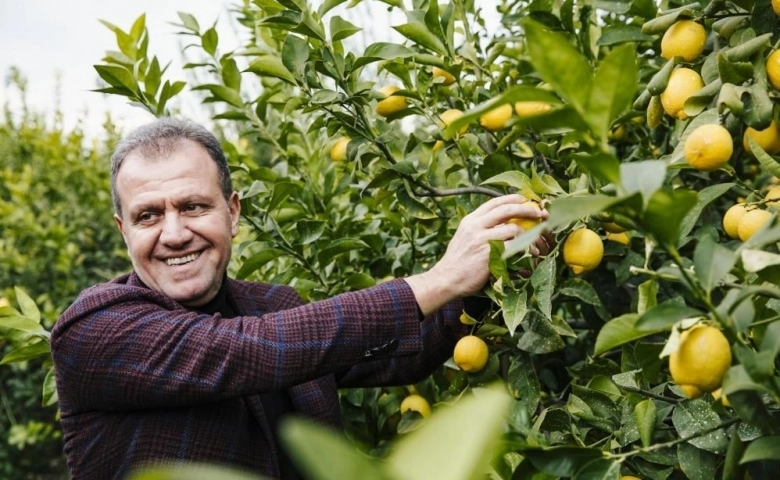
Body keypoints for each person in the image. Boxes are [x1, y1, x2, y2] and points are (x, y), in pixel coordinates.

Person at [50, 117, 549, 480]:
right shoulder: (95, 330)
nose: (175, 232)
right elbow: (248, 351)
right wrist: (441, 276)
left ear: (233, 212)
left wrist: (493, 275)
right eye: (148, 216)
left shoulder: (274, 305)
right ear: (123, 230)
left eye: (193, 206)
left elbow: (404, 351)